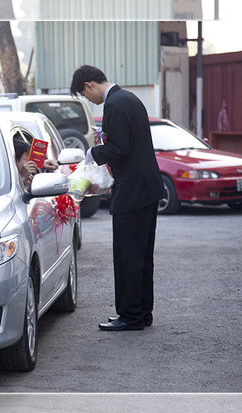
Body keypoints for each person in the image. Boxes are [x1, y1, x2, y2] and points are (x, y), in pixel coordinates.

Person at [70, 65, 166, 331]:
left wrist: (93, 154)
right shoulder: (129, 98)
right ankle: (142, 312)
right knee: (142, 255)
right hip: (147, 188)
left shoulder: (114, 104)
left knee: (128, 255)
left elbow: (119, 148)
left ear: (90, 85)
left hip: (133, 190)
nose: (89, 100)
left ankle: (131, 315)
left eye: (86, 95)